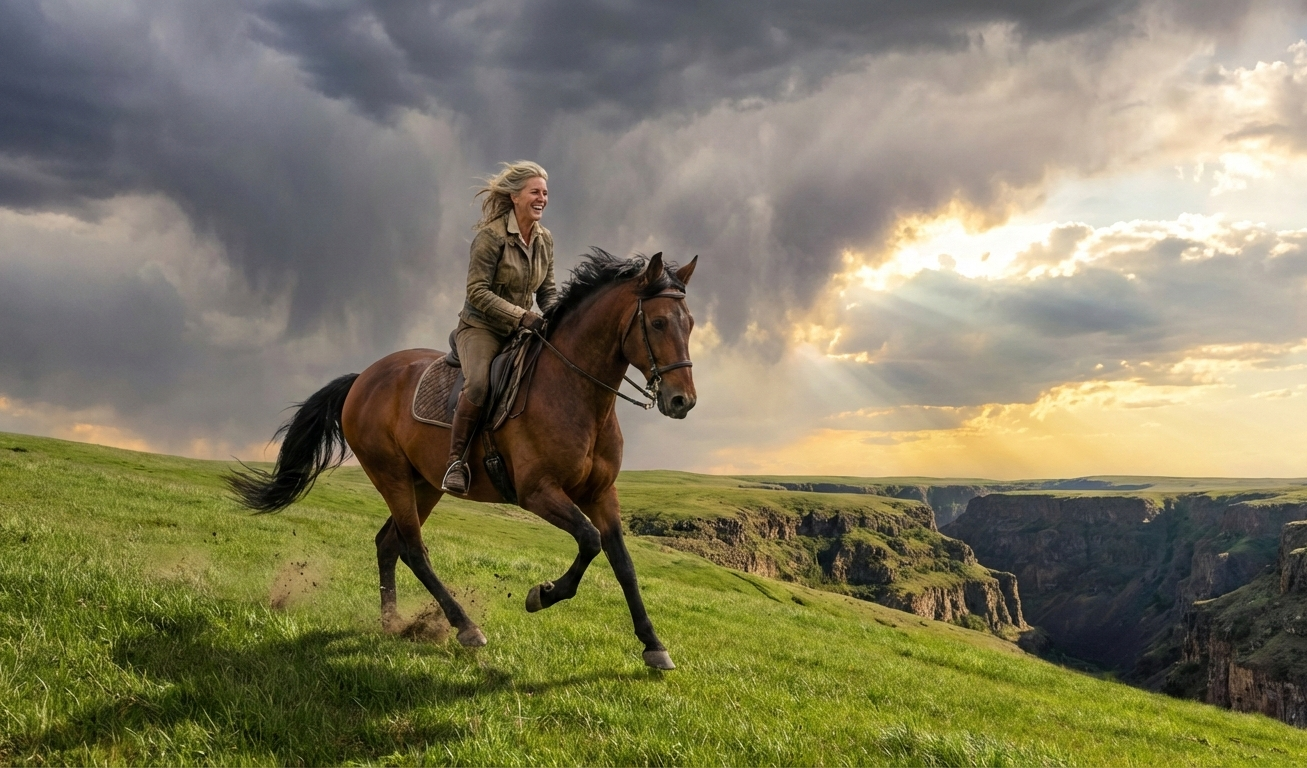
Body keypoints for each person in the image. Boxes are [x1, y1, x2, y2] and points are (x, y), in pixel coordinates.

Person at [442, 161, 556, 494]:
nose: (542, 198)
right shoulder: (490, 237)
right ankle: (455, 462)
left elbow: (546, 291)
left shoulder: (544, 240)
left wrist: (558, 317)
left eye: (545, 193)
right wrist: (521, 316)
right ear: (515, 196)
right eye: (535, 192)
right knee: (478, 384)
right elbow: (477, 292)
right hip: (481, 328)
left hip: (523, 329)